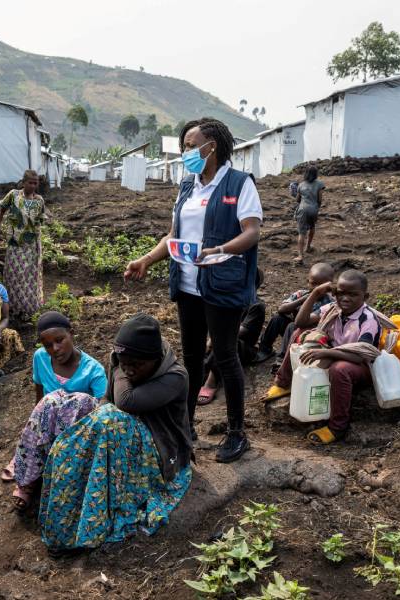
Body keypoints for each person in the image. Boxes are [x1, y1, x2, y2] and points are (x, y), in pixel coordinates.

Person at [124, 118, 263, 462]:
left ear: (210, 146)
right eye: (185, 146)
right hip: (188, 285)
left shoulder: (238, 184)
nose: (185, 151)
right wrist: (146, 259)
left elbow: (252, 232)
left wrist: (218, 251)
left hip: (221, 284)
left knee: (226, 356)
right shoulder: (187, 187)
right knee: (191, 358)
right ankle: (186, 426)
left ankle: (236, 433)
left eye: (189, 145)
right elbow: (174, 234)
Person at [39, 314, 192, 551]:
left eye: (136, 365)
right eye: (124, 363)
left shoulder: (175, 376)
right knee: (67, 405)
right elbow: (106, 399)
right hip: (125, 438)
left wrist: (119, 365)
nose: (129, 371)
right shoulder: (123, 359)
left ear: (155, 359)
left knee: (111, 420)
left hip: (161, 449)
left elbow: (124, 400)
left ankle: (94, 519)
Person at [266, 270, 395, 444]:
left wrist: (326, 353)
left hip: (362, 366)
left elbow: (360, 355)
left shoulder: (368, 320)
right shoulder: (333, 309)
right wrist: (316, 293)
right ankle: (283, 382)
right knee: (300, 332)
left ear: (365, 296)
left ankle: (337, 427)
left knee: (339, 369)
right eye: (341, 293)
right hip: (337, 352)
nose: (345, 298)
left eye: (353, 294)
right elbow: (300, 322)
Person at [2, 311, 107, 511]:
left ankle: (55, 477)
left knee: (76, 400)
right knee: (48, 403)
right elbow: (39, 398)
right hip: (48, 427)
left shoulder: (94, 370)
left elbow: (103, 412)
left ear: (71, 334)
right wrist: (34, 427)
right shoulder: (40, 358)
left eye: (60, 340)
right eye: (48, 345)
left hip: (77, 432)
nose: (55, 349)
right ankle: (28, 482)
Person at [197, 269, 267, 406]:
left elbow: (242, 330)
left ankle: (211, 381)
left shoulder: (257, 306)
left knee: (227, 342)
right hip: (223, 342)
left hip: (244, 348)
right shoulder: (232, 301)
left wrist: (216, 338)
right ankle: (203, 370)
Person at [255, 263, 336, 364]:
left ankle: (282, 358)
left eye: (320, 285)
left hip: (310, 336)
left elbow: (305, 323)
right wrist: (304, 299)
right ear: (308, 281)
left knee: (293, 326)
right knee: (277, 318)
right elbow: (281, 309)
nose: (316, 289)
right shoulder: (301, 294)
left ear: (329, 285)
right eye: (313, 283)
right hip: (291, 331)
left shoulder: (330, 302)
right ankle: (265, 349)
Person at [0, 170, 46, 319]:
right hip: (15, 243)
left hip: (32, 245)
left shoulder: (39, 200)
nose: (33, 185)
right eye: (30, 182)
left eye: (36, 183)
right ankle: (12, 308)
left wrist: (37, 246)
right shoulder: (14, 195)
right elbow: (1, 211)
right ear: (23, 182)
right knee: (14, 274)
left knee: (29, 276)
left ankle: (28, 309)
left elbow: (39, 224)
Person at [293, 167, 325, 263]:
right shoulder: (320, 184)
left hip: (303, 210)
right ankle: (308, 247)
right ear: (315, 174)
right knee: (312, 227)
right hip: (314, 209)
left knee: (302, 233)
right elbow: (320, 199)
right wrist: (316, 207)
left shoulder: (301, 185)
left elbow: (297, 200)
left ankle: (300, 256)